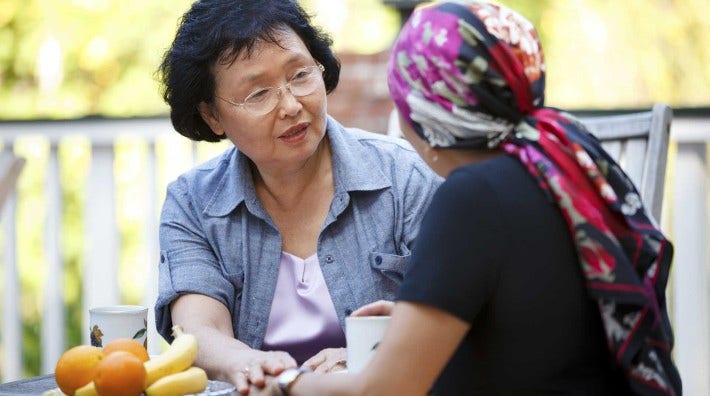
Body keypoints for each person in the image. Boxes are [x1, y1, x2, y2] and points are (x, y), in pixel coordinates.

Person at [252, 1, 683, 395]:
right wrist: (419, 314)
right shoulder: (563, 159)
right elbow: (533, 312)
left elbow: (387, 390)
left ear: (427, 118)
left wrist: (289, 382)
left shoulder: (473, 196)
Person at [153, 0, 442, 393]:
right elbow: (198, 330)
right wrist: (253, 366)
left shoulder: (407, 178)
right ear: (212, 116)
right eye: (258, 94)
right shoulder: (193, 203)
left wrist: (356, 356)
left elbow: (449, 321)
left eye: (301, 75)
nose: (291, 105)